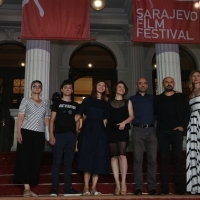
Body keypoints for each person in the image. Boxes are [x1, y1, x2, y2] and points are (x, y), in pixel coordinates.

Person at [154, 77, 190, 195]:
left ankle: (179, 188)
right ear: (162, 84)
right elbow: (154, 114)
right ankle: (165, 189)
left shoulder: (181, 97)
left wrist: (182, 126)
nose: (169, 84)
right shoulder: (158, 98)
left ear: (174, 84)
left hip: (176, 132)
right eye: (166, 82)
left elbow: (187, 112)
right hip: (163, 132)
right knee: (164, 160)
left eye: (171, 82)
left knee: (178, 159)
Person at [14, 80, 49, 197]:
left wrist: (48, 134)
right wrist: (18, 132)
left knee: (36, 159)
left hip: (39, 134)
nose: (37, 88)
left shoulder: (45, 102)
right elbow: (20, 117)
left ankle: (31, 184)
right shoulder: (26, 100)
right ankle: (26, 188)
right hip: (27, 131)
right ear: (31, 88)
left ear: (41, 89)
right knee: (25, 159)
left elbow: (46, 119)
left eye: (39, 86)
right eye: (35, 86)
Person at [75, 80, 110, 196]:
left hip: (100, 131)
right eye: (99, 85)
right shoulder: (87, 101)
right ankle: (86, 187)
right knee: (87, 157)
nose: (101, 87)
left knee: (98, 158)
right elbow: (78, 115)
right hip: (88, 130)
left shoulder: (106, 103)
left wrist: (104, 135)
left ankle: (94, 187)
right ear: (95, 87)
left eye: (103, 86)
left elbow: (105, 120)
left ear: (105, 88)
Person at [49, 79, 81, 197]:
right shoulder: (57, 103)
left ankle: (68, 189)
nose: (68, 89)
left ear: (72, 90)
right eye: (66, 87)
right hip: (59, 135)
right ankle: (54, 189)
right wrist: (51, 135)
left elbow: (77, 122)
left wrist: (76, 138)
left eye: (70, 88)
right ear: (62, 89)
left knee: (68, 163)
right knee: (57, 162)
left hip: (71, 135)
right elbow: (52, 120)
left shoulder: (76, 105)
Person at [129, 78, 157, 195]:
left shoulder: (153, 99)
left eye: (145, 83)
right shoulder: (132, 99)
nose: (143, 85)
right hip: (137, 130)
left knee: (152, 160)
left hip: (151, 130)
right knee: (137, 160)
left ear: (148, 85)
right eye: (140, 83)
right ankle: (138, 187)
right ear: (137, 85)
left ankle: (152, 187)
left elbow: (158, 113)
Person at [106, 81, 134, 195]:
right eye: (119, 87)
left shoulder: (128, 102)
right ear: (115, 89)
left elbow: (132, 115)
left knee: (122, 156)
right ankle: (117, 183)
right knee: (113, 157)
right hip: (111, 131)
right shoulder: (108, 102)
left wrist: (124, 122)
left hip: (123, 130)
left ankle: (123, 183)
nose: (122, 89)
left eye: (123, 87)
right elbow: (106, 117)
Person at [186, 70, 200, 194]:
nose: (196, 78)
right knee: (194, 152)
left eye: (198, 76)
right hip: (193, 123)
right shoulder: (190, 94)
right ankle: (196, 185)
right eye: (193, 76)